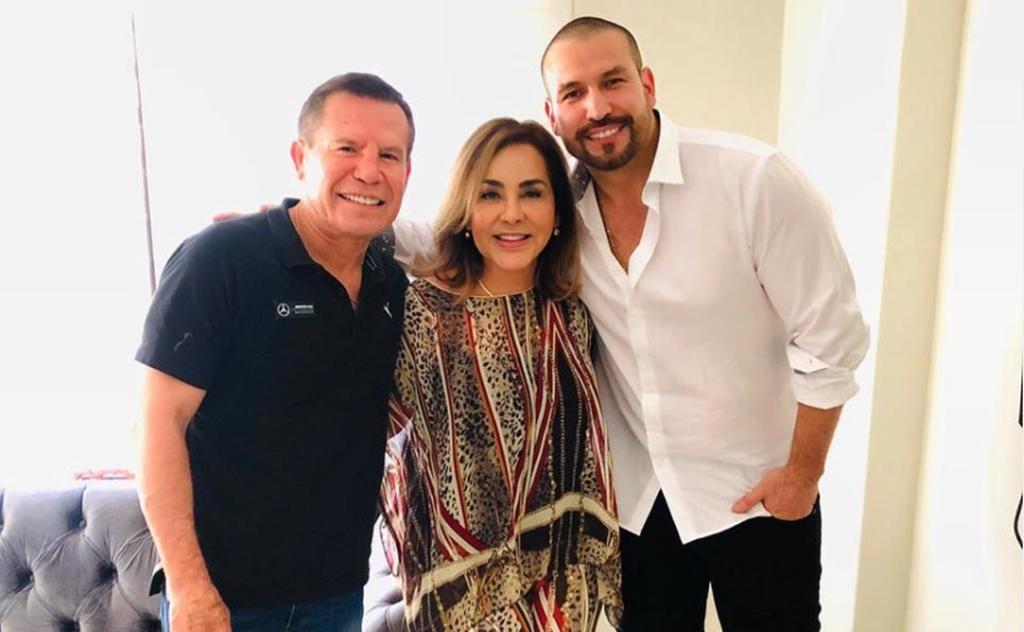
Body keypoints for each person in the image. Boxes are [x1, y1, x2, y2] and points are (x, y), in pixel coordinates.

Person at [392, 16, 870, 631]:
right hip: (639, 507)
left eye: (612, 81)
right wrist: (314, 223)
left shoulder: (752, 179)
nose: (597, 107)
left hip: (757, 498)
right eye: (573, 93)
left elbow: (833, 341)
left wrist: (802, 475)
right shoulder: (556, 208)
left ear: (647, 84)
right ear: (553, 112)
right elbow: (444, 234)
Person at [136, 72, 413, 632]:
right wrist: (189, 586)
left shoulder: (391, 283)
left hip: (337, 594)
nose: (369, 170)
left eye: (389, 154)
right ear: (300, 158)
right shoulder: (221, 260)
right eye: (347, 148)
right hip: (225, 600)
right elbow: (158, 422)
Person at [380, 118, 622, 631]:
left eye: (531, 193)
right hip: (461, 586)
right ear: (466, 208)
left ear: (557, 211)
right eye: (490, 194)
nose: (512, 213)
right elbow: (371, 433)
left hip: (564, 579)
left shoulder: (573, 309)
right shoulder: (424, 312)